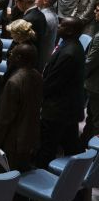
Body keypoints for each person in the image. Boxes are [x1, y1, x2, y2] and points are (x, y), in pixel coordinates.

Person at [0, 43, 42, 201]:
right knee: (20, 179)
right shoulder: (37, 75)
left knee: (10, 181)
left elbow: (4, 117)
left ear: (20, 58)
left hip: (13, 140)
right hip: (31, 135)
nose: (10, 54)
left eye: (13, 53)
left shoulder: (14, 82)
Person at [37, 16, 86, 169]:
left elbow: (53, 82)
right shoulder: (69, 45)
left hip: (58, 109)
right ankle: (76, 183)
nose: (59, 27)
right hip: (67, 107)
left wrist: (38, 96)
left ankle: (40, 182)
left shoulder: (69, 53)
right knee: (70, 145)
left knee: (47, 147)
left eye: (62, 26)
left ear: (70, 31)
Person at [84, 4, 99, 145]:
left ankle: (94, 154)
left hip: (95, 84)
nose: (95, 11)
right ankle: (85, 141)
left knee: (95, 119)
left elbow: (90, 61)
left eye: (98, 10)